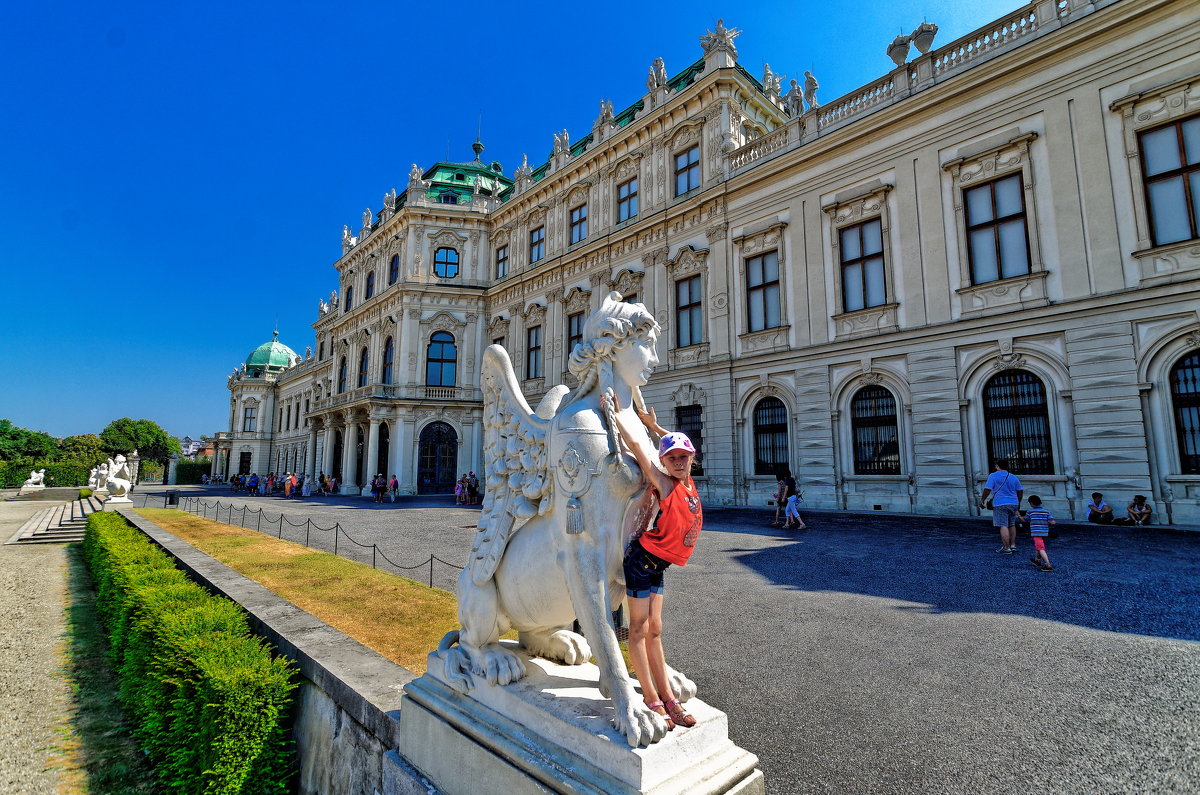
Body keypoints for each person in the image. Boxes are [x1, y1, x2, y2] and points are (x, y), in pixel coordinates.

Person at [607, 391, 703, 731]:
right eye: (672, 458)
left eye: (683, 457)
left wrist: (654, 425)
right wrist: (620, 416)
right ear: (666, 462)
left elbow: (672, 442)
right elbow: (638, 448)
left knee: (656, 629)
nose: (678, 461)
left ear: (691, 459)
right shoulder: (664, 481)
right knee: (638, 629)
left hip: (658, 564)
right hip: (641, 562)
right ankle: (650, 697)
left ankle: (668, 697)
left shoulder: (687, 480)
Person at [979, 459, 1023, 554]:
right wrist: (1018, 502)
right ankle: (1013, 545)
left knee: (1003, 525)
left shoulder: (993, 476)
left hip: (1000, 503)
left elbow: (987, 489)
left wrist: (982, 499)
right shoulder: (1013, 477)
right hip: (1013, 503)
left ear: (997, 466)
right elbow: (1020, 490)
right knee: (1012, 524)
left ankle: (1006, 548)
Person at [1026, 495, 1055, 571]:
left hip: (1036, 533)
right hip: (1045, 532)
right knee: (1039, 546)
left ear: (1031, 503)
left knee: (1040, 548)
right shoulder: (1046, 512)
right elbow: (1052, 522)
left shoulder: (1030, 512)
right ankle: (1037, 560)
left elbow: (1024, 520)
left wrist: (1018, 515)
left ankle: (1047, 564)